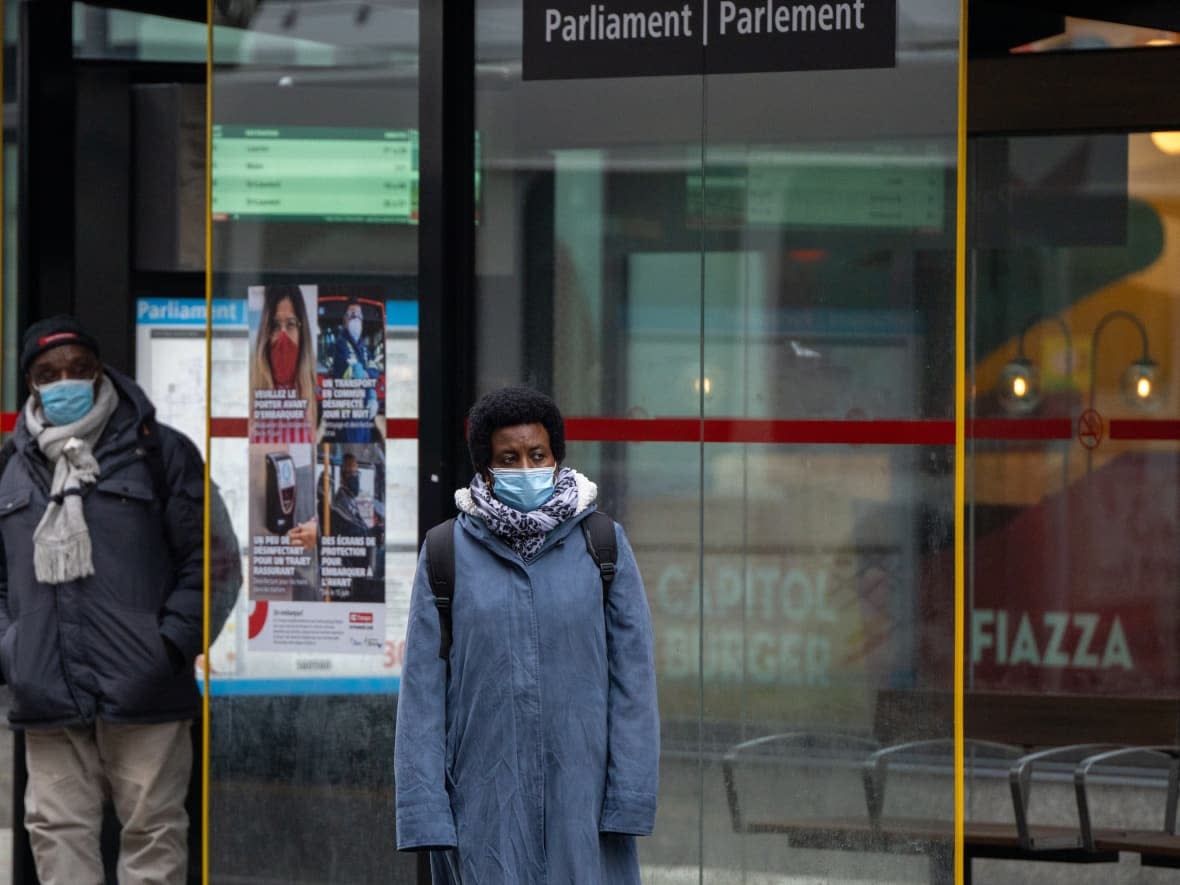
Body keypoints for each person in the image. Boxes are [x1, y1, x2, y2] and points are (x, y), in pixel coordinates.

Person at [395, 386, 659, 884]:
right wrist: (424, 812)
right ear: (486, 469)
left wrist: (630, 798)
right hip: (483, 809)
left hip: (585, 806)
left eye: (537, 454)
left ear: (556, 456)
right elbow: (422, 699)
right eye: (508, 458)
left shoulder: (602, 545)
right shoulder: (445, 552)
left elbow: (634, 682)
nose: (525, 467)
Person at [0, 315, 205, 885]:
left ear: (99, 371)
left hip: (145, 690)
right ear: (31, 385)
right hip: (46, 690)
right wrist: (11, 652)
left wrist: (168, 646)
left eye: (78, 368)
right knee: (56, 837)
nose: (65, 380)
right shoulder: (10, 468)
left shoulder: (160, 452)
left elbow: (210, 562)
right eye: (49, 373)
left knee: (154, 835)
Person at [248, 284, 317, 444]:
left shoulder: (316, 396)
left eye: (291, 324)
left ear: (302, 331)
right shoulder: (250, 393)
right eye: (275, 326)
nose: (283, 336)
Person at [326, 300, 381, 443]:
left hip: (364, 411)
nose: (356, 318)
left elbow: (375, 371)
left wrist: (372, 396)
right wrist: (365, 377)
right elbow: (348, 375)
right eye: (352, 314)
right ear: (344, 319)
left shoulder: (363, 347)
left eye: (359, 315)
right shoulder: (340, 344)